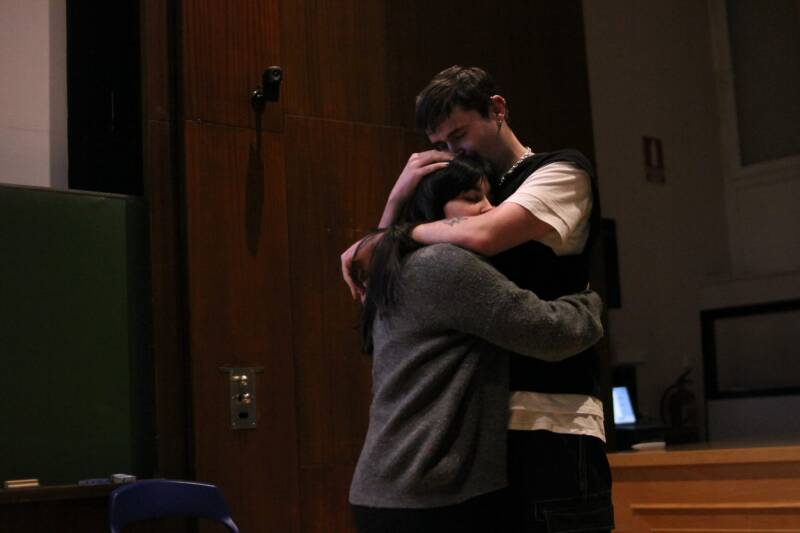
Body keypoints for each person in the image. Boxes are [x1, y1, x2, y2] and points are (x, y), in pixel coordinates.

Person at [342, 66, 614, 532]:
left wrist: (391, 235)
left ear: (498, 109)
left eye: (460, 135)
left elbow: (484, 236)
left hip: (553, 415)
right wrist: (395, 204)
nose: (452, 153)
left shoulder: (558, 171)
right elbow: (378, 280)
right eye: (442, 145)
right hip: (486, 431)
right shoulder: (464, 208)